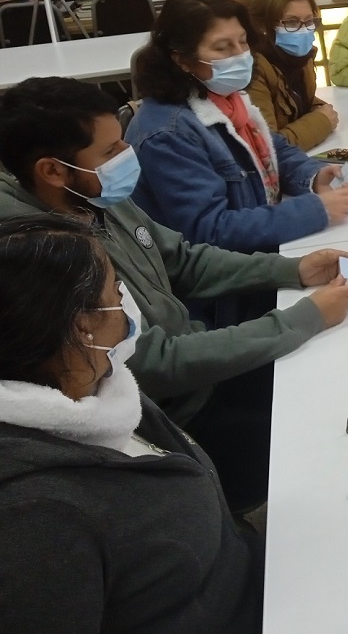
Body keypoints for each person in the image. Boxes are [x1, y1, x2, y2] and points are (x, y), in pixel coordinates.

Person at [0, 77, 348, 511]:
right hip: (169, 419)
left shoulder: (91, 193)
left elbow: (182, 260)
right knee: (326, 443)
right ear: (52, 170)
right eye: (110, 151)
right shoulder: (39, 260)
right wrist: (299, 319)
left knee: (334, 376)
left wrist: (292, 269)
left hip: (197, 373)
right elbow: (151, 364)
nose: (126, 155)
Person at [0, 215, 266, 632]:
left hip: (256, 580)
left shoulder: (99, 386)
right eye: (115, 291)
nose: (126, 302)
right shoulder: (37, 521)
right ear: (82, 326)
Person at [125, 0, 348, 257]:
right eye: (222, 48)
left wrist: (313, 175)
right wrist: (316, 210)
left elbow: (273, 148)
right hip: (226, 282)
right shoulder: (168, 134)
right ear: (182, 60)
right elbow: (209, 230)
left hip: (260, 254)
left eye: (243, 42)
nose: (240, 55)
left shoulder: (225, 97)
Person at [237, 0, 339, 151]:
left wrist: (319, 109)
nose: (304, 30)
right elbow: (267, 149)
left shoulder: (299, 57)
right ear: (259, 25)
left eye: (309, 21)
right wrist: (321, 121)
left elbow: (298, 102)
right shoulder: (250, 70)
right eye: (292, 22)